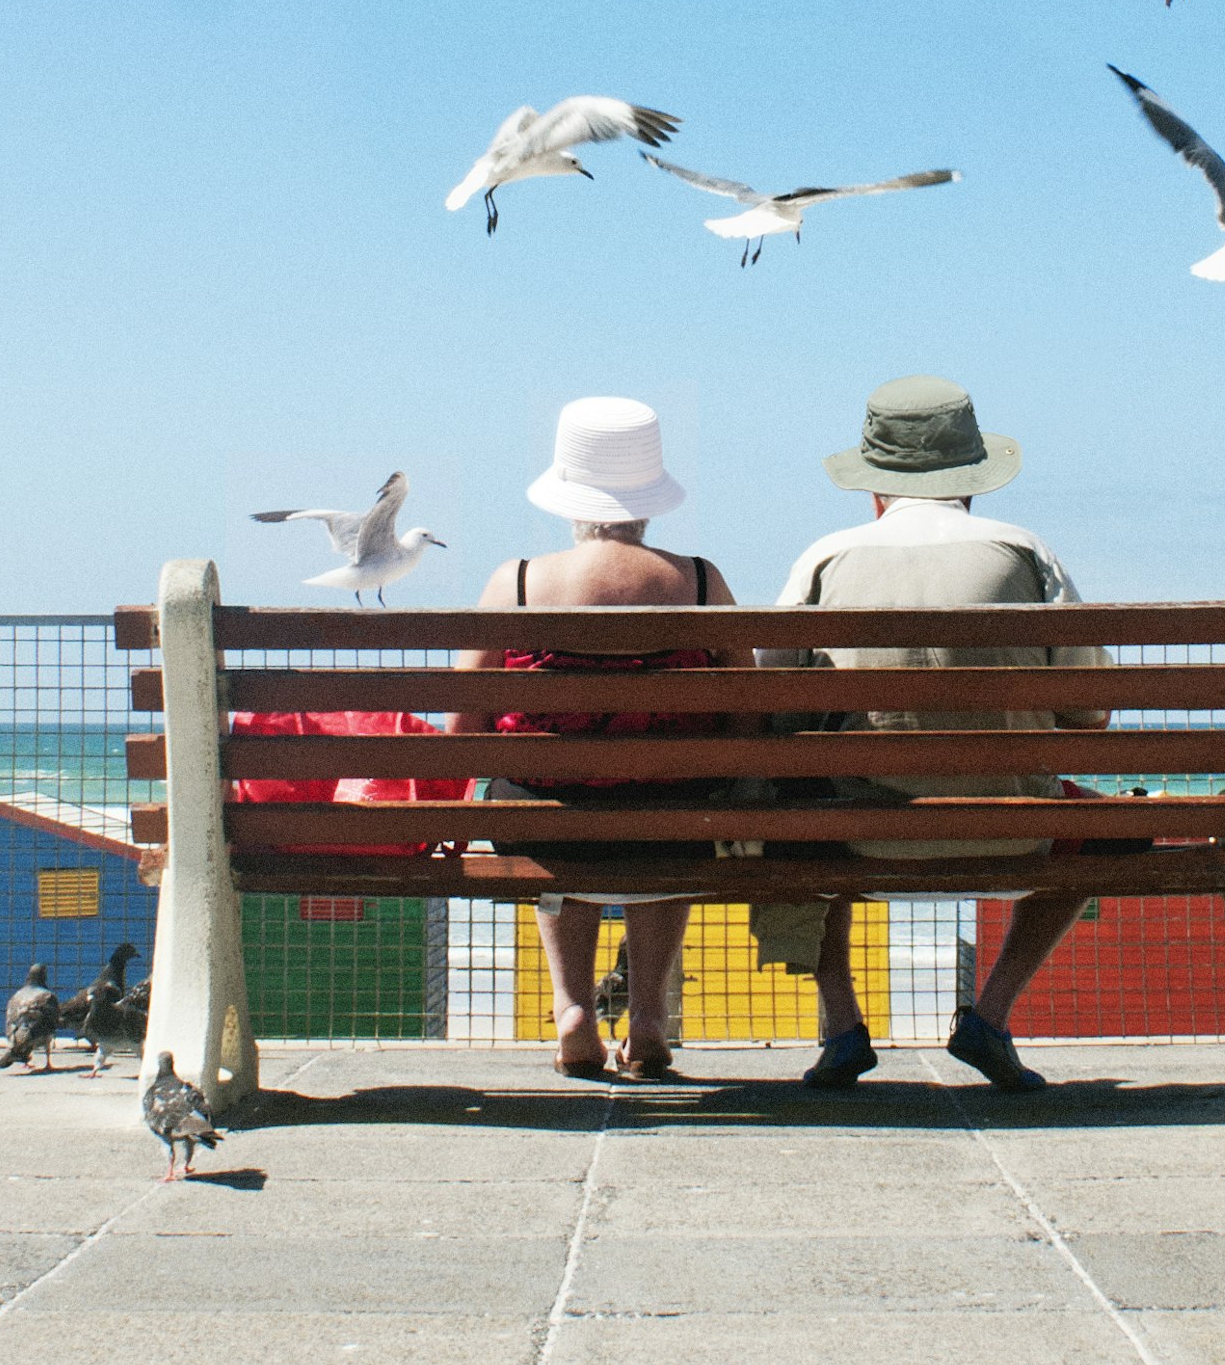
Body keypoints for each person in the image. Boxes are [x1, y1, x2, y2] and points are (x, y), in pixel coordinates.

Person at [762, 374, 1118, 1093]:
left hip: (858, 833)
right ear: (975, 482)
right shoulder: (1025, 552)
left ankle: (842, 1027)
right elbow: (1090, 711)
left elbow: (776, 709)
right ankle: (989, 1017)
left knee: (795, 813)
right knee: (1103, 833)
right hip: (1016, 830)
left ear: (873, 487)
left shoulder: (827, 557)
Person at [452, 396, 736, 1080]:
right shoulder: (698, 581)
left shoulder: (517, 582)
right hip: (674, 820)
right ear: (650, 500)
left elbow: (463, 723)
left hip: (543, 822)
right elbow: (745, 715)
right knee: (674, 803)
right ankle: (646, 1020)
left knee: (553, 795)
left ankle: (574, 1012)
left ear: (567, 497)